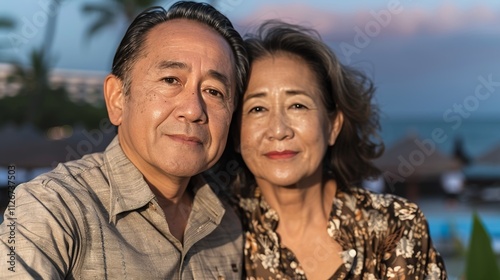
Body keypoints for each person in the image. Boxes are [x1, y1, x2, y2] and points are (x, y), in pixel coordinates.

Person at [0, 1, 248, 279]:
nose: (193, 110)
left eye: (214, 91)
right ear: (117, 99)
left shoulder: (228, 226)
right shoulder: (53, 207)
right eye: (170, 80)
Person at [227, 20, 447, 279]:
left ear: (333, 125)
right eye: (257, 109)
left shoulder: (395, 225)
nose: (278, 130)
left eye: (297, 105)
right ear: (235, 134)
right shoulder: (218, 233)